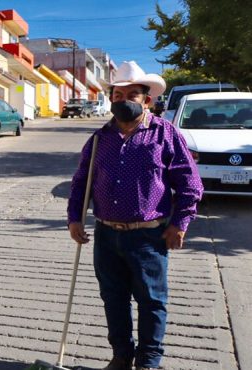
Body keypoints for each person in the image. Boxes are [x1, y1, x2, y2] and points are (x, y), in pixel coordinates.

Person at [67, 61, 203, 370]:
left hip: (148, 236)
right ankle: (121, 357)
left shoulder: (165, 135)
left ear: (147, 100)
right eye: (117, 94)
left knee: (152, 302)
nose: (123, 99)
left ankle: (148, 362)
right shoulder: (100, 139)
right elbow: (81, 182)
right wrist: (75, 218)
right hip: (106, 234)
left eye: (131, 94)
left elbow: (190, 183)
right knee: (113, 300)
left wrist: (180, 223)